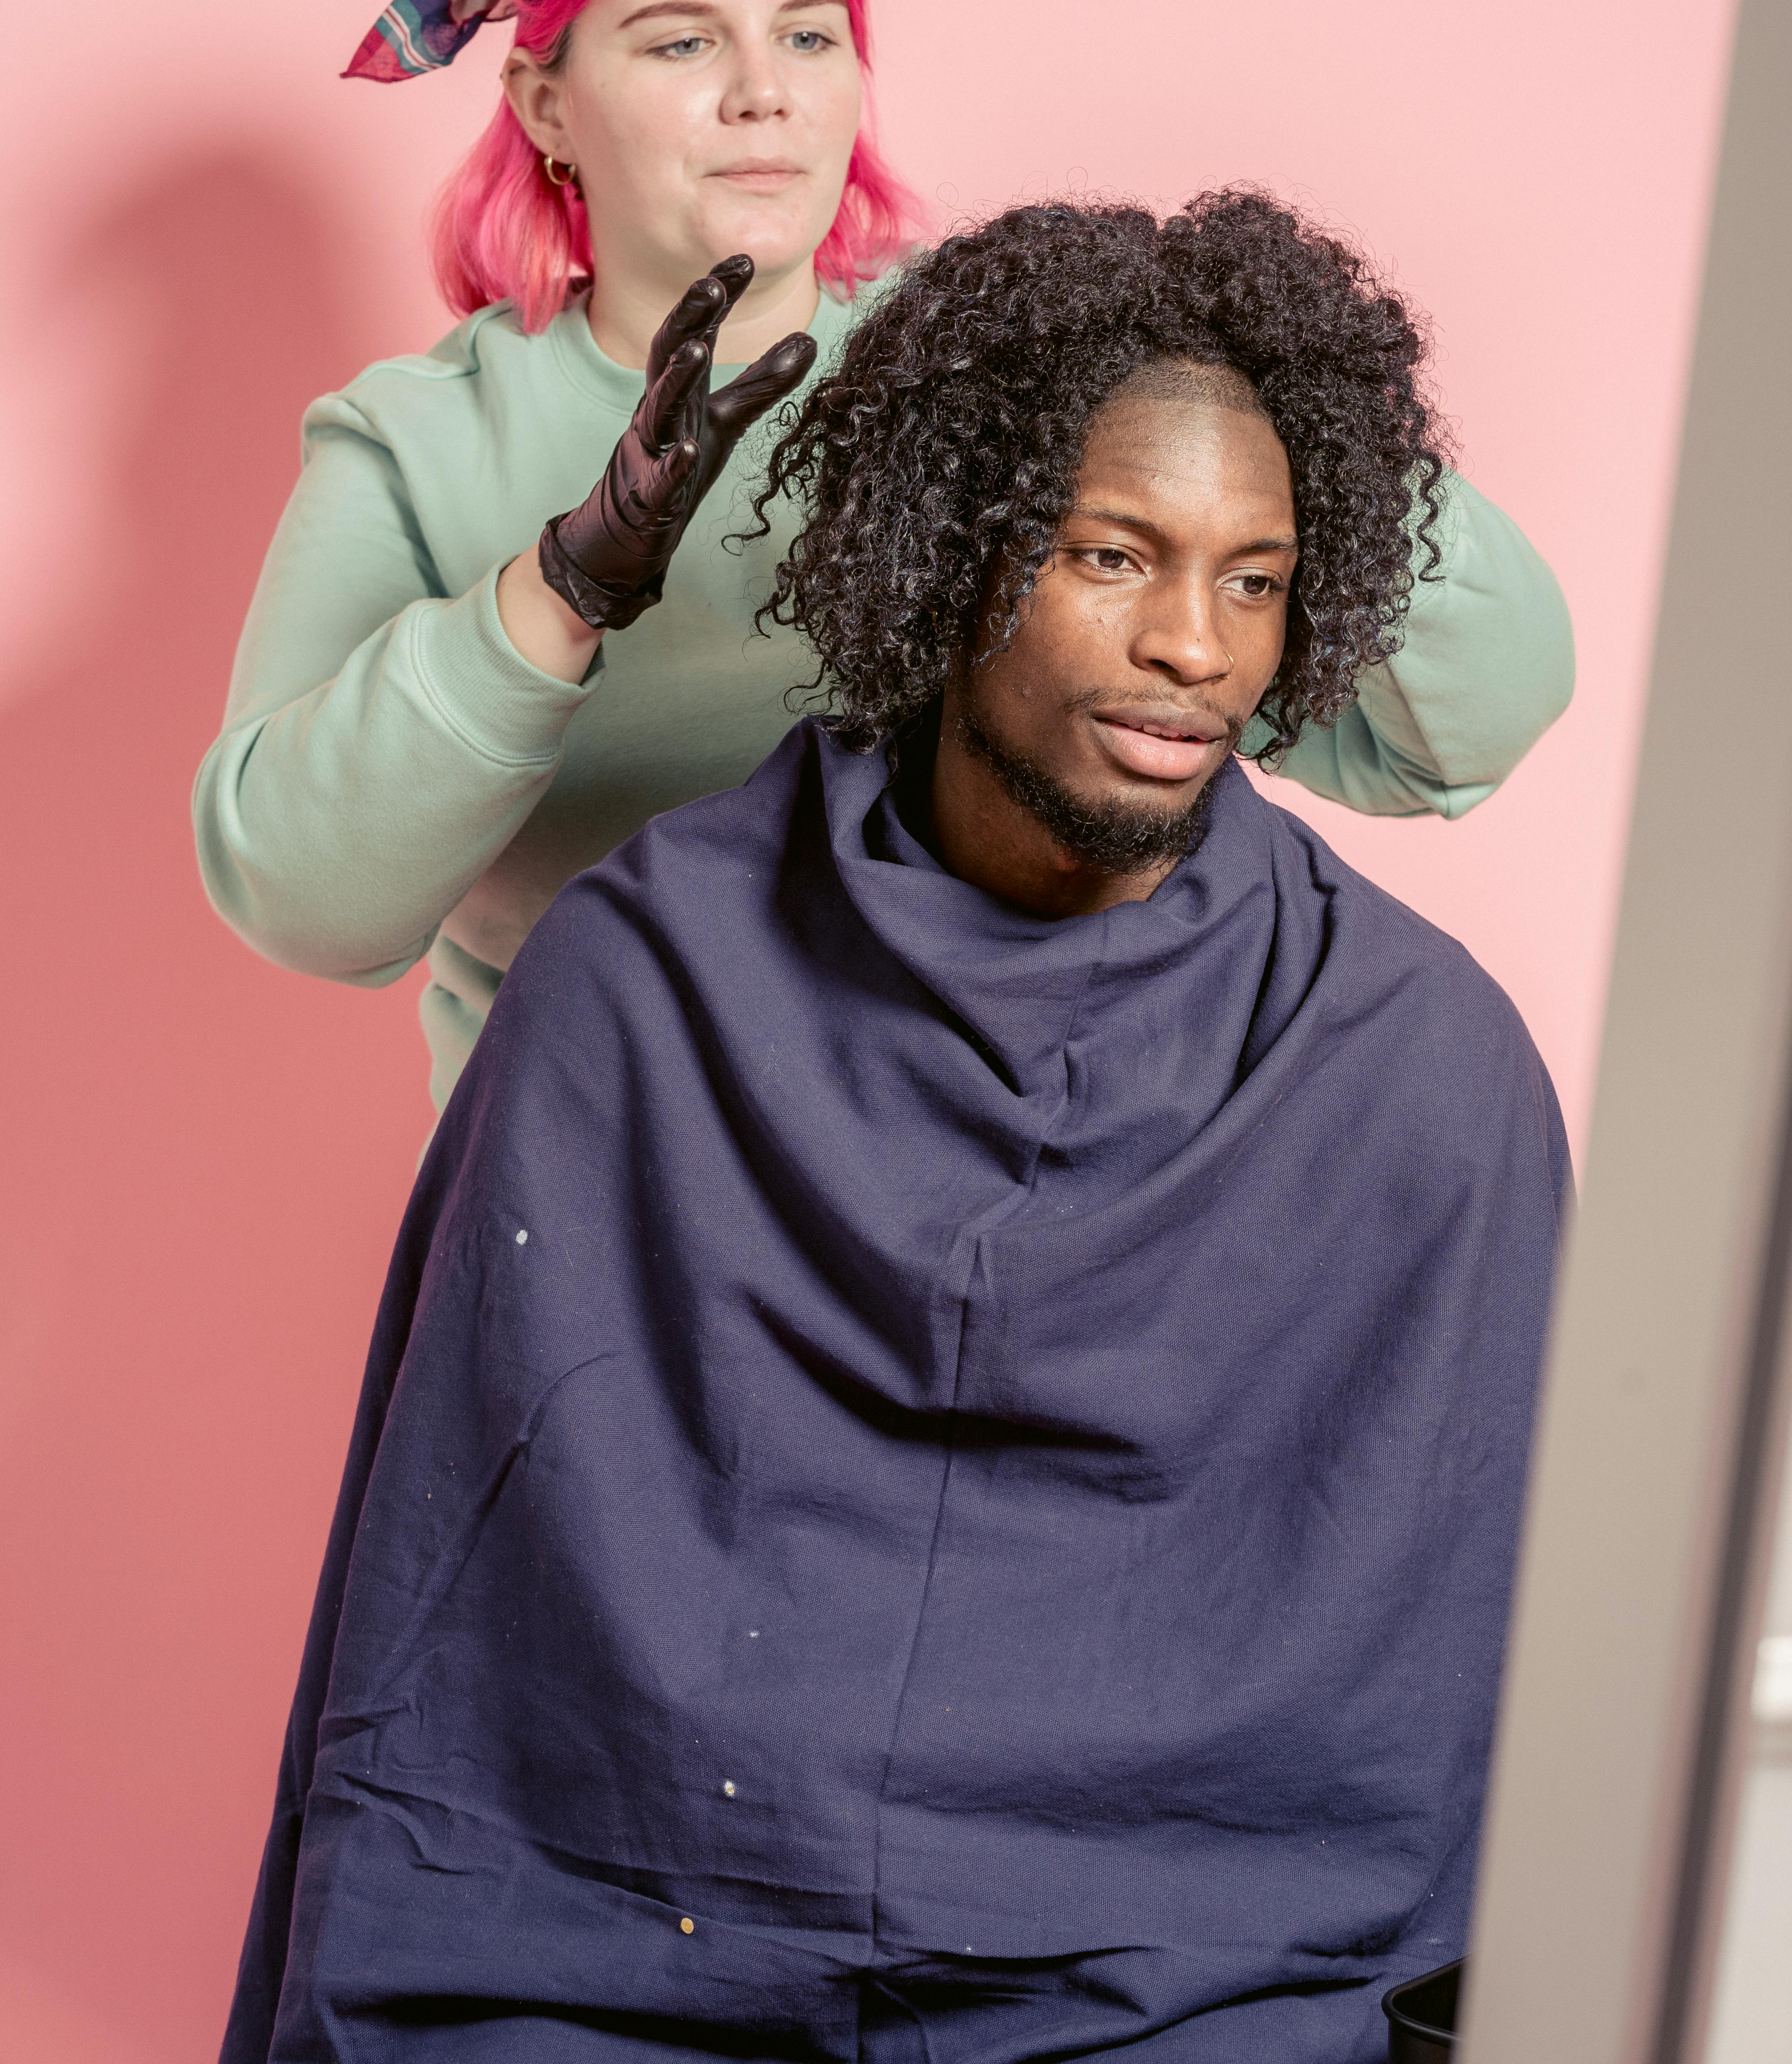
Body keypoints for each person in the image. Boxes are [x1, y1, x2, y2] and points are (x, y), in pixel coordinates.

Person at [224, 196, 1568, 2064]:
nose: (1193, 647)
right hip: (627, 1959)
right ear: (954, 550)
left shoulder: (1415, 1073)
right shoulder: (643, 979)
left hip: (1178, 1987)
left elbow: (1455, 1756)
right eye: (1116, 555)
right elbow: (458, 1671)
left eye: (1252, 579)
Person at [193, 0, 1573, 1116]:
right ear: (545, 103)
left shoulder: (1004, 373)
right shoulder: (414, 444)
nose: (761, 96)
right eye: (681, 45)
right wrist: (557, 590)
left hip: (989, 1149)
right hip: (603, 1179)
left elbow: (1460, 731)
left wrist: (1267, 374)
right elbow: (309, 904)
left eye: (808, 35)